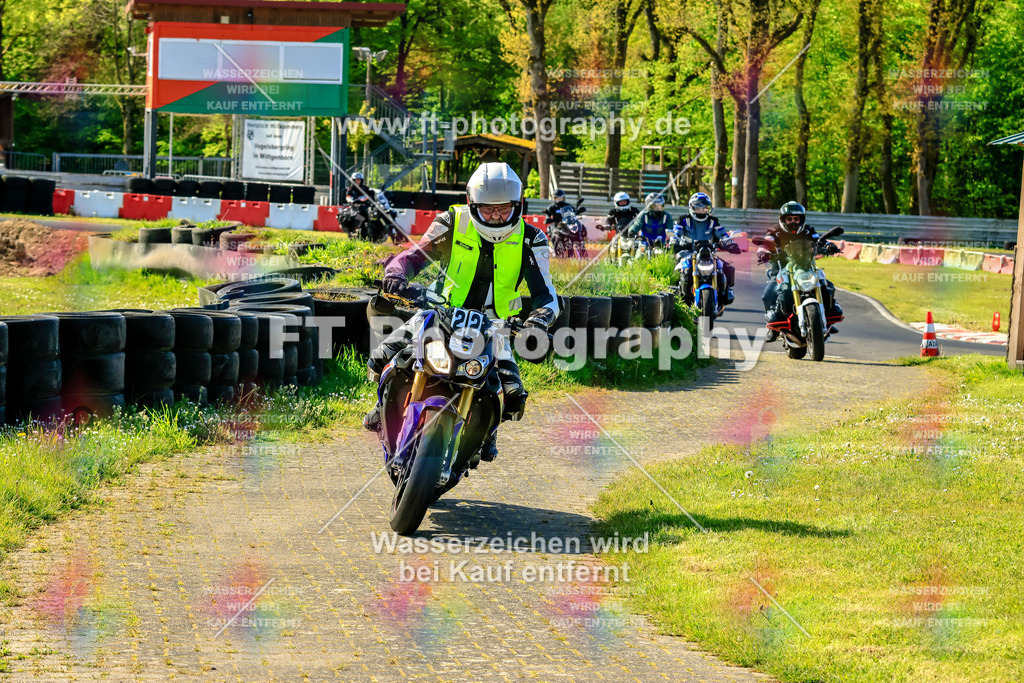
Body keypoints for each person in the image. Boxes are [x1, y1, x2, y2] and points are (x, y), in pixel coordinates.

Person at [363, 162, 559, 461]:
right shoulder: (451, 221)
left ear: (519, 205)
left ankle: (486, 431)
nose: (495, 216)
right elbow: (414, 256)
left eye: (504, 209)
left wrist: (539, 321)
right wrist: (396, 273)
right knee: (383, 355)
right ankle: (383, 406)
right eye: (487, 209)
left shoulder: (533, 239)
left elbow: (547, 294)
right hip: (439, 311)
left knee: (514, 393)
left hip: (496, 326)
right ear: (472, 203)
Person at [756, 201, 842, 341]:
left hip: (806, 266)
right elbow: (766, 242)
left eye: (796, 219)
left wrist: (828, 245)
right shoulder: (774, 231)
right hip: (781, 269)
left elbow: (818, 239)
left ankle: (827, 319)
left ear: (801, 219)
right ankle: (772, 328)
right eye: (789, 219)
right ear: (783, 219)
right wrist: (763, 251)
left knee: (827, 286)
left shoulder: (808, 230)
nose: (793, 222)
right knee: (768, 294)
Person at [673, 192, 739, 306]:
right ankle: (677, 294)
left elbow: (722, 234)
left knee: (722, 267)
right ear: (692, 207)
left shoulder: (713, 222)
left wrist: (730, 243)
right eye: (699, 207)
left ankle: (724, 293)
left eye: (705, 208)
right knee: (682, 269)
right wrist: (674, 242)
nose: (702, 210)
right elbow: (676, 232)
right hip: (688, 253)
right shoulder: (684, 220)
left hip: (708, 254)